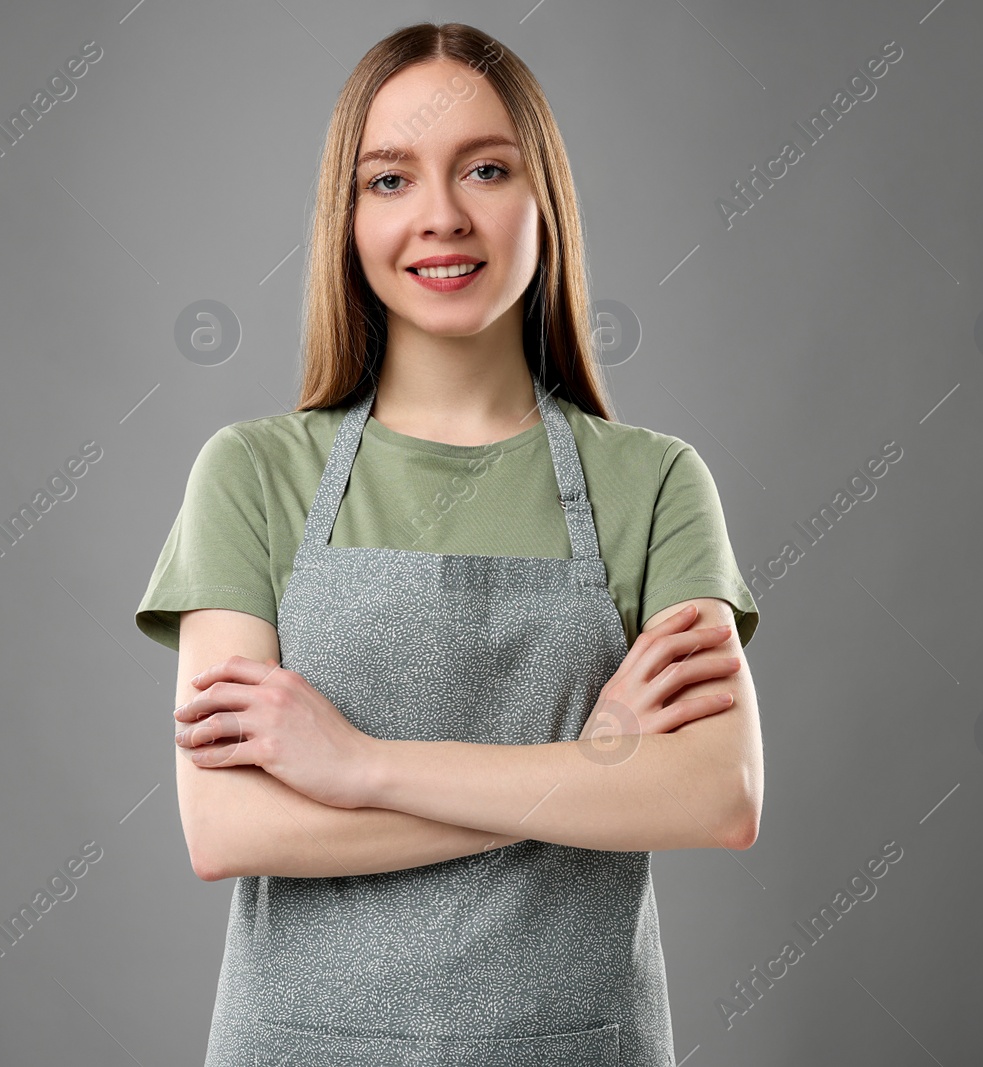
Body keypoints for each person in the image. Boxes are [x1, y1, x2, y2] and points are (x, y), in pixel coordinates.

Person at [134, 21, 763, 1067]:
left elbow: (717, 792)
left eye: (485, 168)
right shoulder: (250, 475)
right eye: (389, 179)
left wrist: (358, 765)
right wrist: (585, 767)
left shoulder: (653, 482)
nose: (440, 216)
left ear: (542, 197)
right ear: (345, 216)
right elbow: (230, 828)